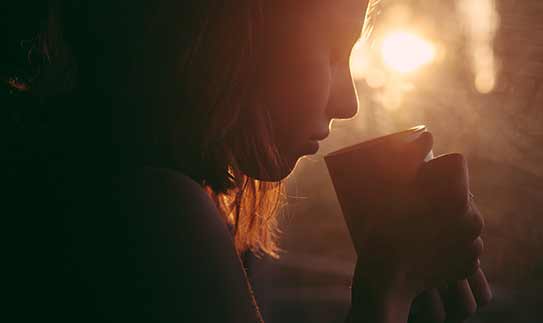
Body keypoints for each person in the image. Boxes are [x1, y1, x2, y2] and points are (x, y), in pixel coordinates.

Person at [4, 1, 490, 322]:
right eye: (332, 54)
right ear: (240, 35)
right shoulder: (153, 209)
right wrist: (391, 282)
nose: (348, 104)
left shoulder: (86, 170)